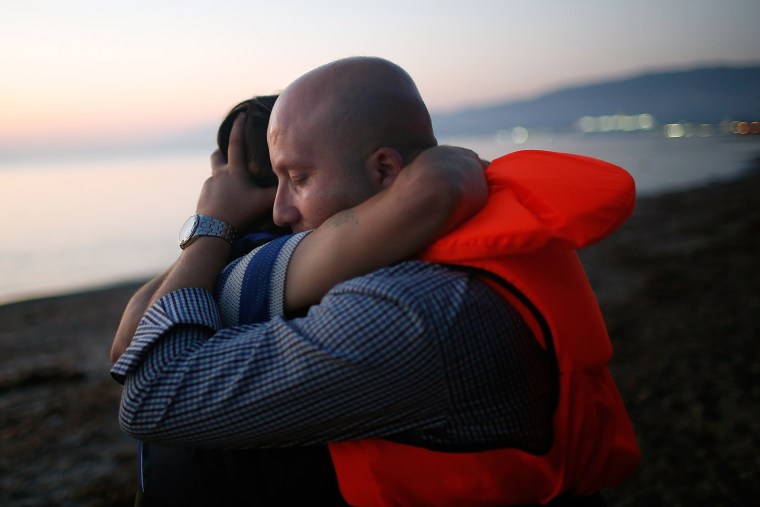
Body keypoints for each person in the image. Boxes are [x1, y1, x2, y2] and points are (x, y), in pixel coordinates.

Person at [112, 57, 640, 506]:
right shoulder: (453, 231)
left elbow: (151, 396)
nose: (280, 209)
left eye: (297, 179)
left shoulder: (411, 308)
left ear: (386, 171)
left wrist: (211, 229)